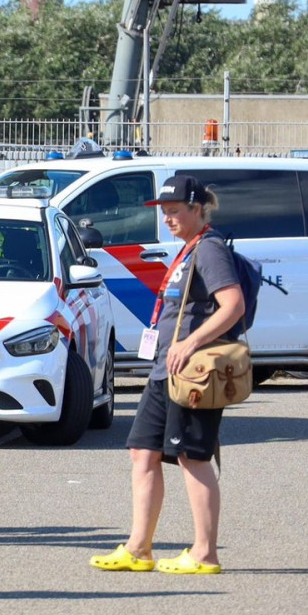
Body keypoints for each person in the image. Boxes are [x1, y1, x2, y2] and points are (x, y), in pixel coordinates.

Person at [91, 174, 244, 576]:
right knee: (142, 452)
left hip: (193, 374)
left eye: (175, 211)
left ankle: (205, 554)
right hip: (166, 371)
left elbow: (233, 306)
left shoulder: (209, 249)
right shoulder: (188, 249)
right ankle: (138, 549)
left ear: (198, 209)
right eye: (164, 212)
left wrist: (191, 343)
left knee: (192, 458)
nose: (168, 220)